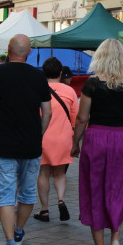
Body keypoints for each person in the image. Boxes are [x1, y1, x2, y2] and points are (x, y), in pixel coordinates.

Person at [0, 35, 51, 245]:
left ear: (8, 51)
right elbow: (47, 112)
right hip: (30, 145)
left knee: (5, 195)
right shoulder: (38, 76)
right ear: (28, 53)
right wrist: (38, 134)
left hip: (4, 144)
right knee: (28, 194)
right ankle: (19, 230)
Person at [72, 39, 123, 245]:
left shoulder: (92, 85)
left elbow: (82, 118)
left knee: (95, 189)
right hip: (121, 138)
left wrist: (75, 143)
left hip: (97, 137)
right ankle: (116, 237)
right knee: (118, 187)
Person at [35, 57, 77, 223]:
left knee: (43, 173)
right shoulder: (70, 91)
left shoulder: (38, 89)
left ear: (43, 73)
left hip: (43, 136)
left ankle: (44, 209)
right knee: (60, 173)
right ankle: (61, 199)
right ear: (61, 73)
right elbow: (75, 117)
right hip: (64, 136)